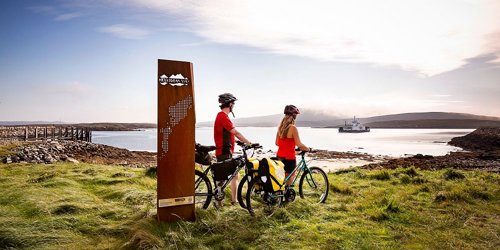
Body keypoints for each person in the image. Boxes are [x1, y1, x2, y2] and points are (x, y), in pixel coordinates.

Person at [214, 93, 252, 205]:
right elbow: (236, 132)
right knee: (230, 176)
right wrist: (249, 143)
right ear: (230, 104)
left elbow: (226, 135)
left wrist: (237, 142)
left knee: (229, 176)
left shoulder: (221, 116)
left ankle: (223, 201)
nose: (234, 105)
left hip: (224, 150)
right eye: (233, 103)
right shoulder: (223, 117)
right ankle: (227, 201)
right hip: (224, 151)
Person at [275, 105, 311, 186]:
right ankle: (287, 197)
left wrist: (288, 146)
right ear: (294, 115)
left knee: (280, 181)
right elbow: (299, 144)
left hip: (279, 157)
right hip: (289, 159)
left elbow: (277, 143)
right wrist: (308, 149)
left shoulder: (280, 128)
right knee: (289, 182)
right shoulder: (293, 128)